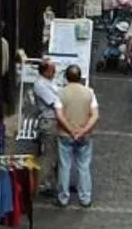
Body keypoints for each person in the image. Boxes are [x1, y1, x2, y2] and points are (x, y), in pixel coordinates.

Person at [54, 64, 98, 208]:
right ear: (80, 77)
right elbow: (95, 115)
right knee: (84, 166)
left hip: (65, 134)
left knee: (64, 166)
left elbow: (59, 115)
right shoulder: (89, 93)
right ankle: (85, 197)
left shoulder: (61, 93)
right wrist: (83, 130)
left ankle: (63, 197)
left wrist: (71, 131)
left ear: (66, 77)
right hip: (85, 136)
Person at [32, 57, 64, 196]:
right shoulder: (40, 85)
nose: (55, 72)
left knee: (55, 155)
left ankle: (53, 183)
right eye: (52, 70)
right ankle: (36, 183)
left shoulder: (50, 82)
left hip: (55, 120)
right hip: (49, 121)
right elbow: (55, 102)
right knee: (49, 156)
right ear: (45, 71)